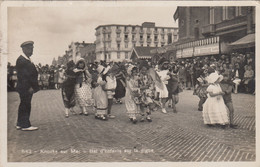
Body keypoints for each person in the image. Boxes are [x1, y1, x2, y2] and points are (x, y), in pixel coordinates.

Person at [15, 41, 39, 131]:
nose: (32, 50)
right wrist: (29, 87)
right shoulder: (22, 60)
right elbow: (23, 76)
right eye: (30, 49)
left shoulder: (26, 59)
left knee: (23, 104)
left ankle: (20, 123)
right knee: (26, 104)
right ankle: (25, 125)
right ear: (24, 49)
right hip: (25, 87)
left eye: (32, 48)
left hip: (24, 87)